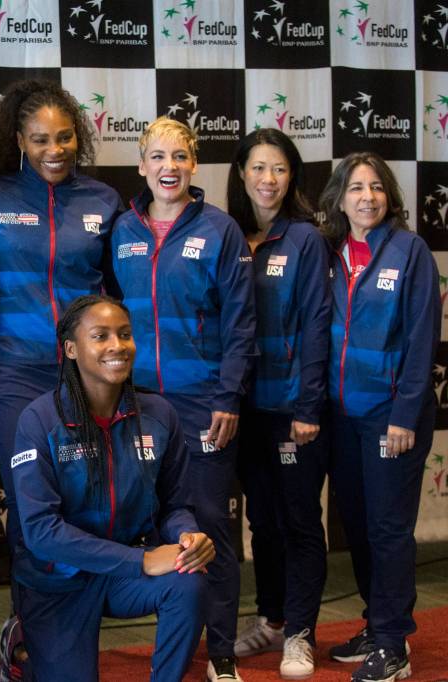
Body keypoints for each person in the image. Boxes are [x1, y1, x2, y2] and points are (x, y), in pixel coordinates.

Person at [109, 117, 256, 682]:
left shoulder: (220, 230)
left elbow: (241, 324)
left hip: (203, 403)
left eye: (179, 156)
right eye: (158, 156)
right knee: (145, 521)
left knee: (210, 524)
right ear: (141, 165)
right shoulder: (122, 230)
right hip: (137, 404)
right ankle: (172, 636)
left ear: (194, 164)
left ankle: (220, 650)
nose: (168, 167)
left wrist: (228, 397)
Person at [10, 294, 213, 681]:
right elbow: (40, 532)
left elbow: (174, 505)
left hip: (123, 574)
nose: (117, 346)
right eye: (100, 336)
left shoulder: (159, 414)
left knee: (188, 579)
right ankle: (22, 648)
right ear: (71, 349)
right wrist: (141, 561)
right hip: (58, 580)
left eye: (124, 334)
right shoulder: (39, 420)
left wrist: (187, 536)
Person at [0, 79, 123, 568]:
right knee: (28, 503)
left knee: (87, 499)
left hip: (87, 375)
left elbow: (122, 293)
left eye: (64, 137)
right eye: (40, 140)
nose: (55, 150)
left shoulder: (103, 200)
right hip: (15, 372)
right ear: (19, 141)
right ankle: (30, 610)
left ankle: (83, 606)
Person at [318, 153, 439, 682]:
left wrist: (404, 415)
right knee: (361, 527)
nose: (367, 197)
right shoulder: (332, 253)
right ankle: (376, 624)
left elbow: (422, 340)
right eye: (355, 188)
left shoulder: (411, 252)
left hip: (391, 416)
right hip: (342, 416)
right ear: (339, 200)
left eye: (376, 187)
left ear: (389, 196)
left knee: (389, 529)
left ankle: (393, 644)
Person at [225, 129, 331, 678]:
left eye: (280, 169)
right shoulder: (227, 234)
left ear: (292, 177)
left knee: (298, 521)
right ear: (241, 173)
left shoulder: (305, 239)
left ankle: (300, 632)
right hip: (242, 410)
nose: (269, 179)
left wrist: (308, 407)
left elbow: (317, 324)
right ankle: (271, 619)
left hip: (292, 409)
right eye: (259, 168)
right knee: (262, 521)